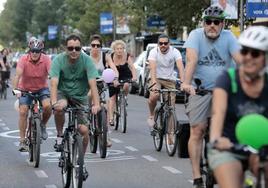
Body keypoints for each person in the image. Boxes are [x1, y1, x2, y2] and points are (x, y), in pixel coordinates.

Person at [181, 5, 242, 187]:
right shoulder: (195, 35)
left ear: (223, 24)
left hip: (224, 91)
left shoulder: (229, 37)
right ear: (203, 23)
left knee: (228, 132)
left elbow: (240, 60)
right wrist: (186, 83)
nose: (212, 25)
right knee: (197, 130)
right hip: (200, 89)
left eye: (216, 22)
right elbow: (191, 60)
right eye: (208, 22)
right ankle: (197, 176)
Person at [208, 26, 268, 188]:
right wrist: (216, 139)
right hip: (229, 147)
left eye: (255, 53)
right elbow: (218, 113)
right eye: (244, 51)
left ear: (265, 58)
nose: (248, 57)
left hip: (262, 148)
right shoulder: (227, 79)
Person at [50, 34, 100, 172]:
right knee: (60, 108)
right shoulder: (58, 60)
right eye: (70, 48)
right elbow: (54, 82)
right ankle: (60, 135)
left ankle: (80, 161)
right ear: (66, 49)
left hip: (80, 97)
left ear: (81, 48)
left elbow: (93, 84)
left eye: (77, 48)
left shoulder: (87, 61)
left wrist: (96, 104)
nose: (74, 51)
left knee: (84, 131)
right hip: (63, 94)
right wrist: (54, 102)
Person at [12, 37, 52, 152]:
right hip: (25, 89)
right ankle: (22, 140)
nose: (35, 53)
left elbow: (52, 73)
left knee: (47, 106)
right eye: (33, 51)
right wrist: (15, 90)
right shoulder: (23, 59)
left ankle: (43, 125)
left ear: (41, 52)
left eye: (37, 51)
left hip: (42, 89)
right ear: (29, 50)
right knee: (23, 111)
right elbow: (17, 76)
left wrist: (54, 80)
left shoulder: (46, 59)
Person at [147, 34, 184, 128]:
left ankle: (170, 135)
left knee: (171, 107)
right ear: (158, 44)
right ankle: (152, 115)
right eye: (161, 43)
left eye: (165, 43)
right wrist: (154, 84)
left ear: (169, 44)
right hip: (156, 78)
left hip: (170, 79)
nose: (163, 45)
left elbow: (180, 67)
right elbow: (153, 68)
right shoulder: (153, 52)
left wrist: (183, 82)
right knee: (154, 96)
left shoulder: (175, 51)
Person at [89, 34, 119, 147]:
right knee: (88, 97)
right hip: (89, 83)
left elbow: (114, 68)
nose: (96, 47)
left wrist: (115, 78)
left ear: (101, 47)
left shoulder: (105, 56)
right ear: (90, 46)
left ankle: (106, 136)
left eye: (98, 45)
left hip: (102, 83)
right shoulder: (86, 57)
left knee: (106, 106)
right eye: (93, 45)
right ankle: (87, 117)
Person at [107, 40, 136, 126]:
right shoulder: (110, 57)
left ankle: (124, 97)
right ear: (114, 49)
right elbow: (113, 69)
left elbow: (132, 67)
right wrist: (115, 79)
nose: (119, 50)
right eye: (117, 48)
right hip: (113, 74)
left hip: (125, 75)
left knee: (126, 84)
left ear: (124, 49)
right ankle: (111, 118)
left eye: (121, 48)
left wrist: (134, 77)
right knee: (112, 97)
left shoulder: (127, 56)